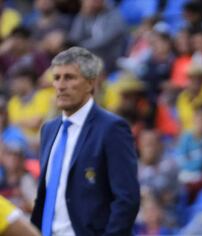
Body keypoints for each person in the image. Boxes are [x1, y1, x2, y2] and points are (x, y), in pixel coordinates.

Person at [30, 47, 140, 236]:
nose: (61, 85)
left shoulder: (112, 128)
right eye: (56, 78)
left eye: (69, 77)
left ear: (90, 83)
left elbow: (127, 199)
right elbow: (46, 196)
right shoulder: (48, 130)